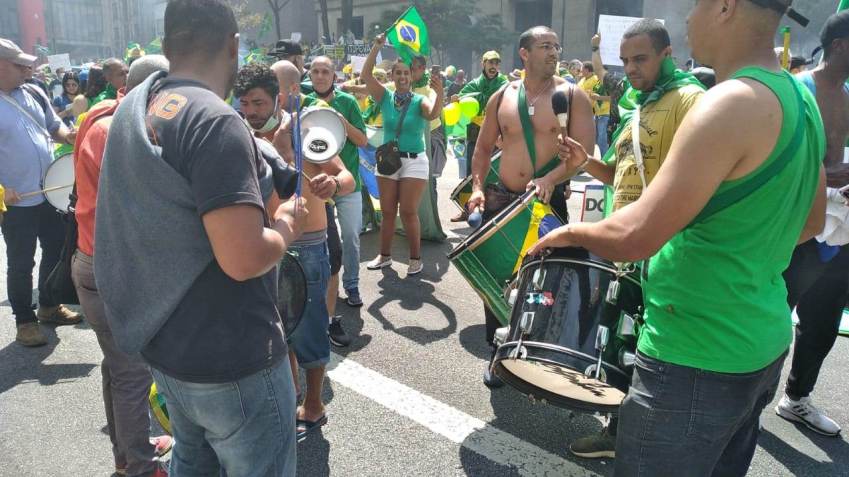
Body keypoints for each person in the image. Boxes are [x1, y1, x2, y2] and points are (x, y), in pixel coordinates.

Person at [528, 1, 825, 474]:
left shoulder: (728, 102)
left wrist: (563, 233)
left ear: (725, 7)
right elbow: (811, 223)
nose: (688, 17)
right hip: (760, 339)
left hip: (693, 350)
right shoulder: (799, 95)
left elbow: (634, 236)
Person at [95, 1, 306, 474]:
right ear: (233, 46)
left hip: (167, 347)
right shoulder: (215, 120)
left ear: (167, 46)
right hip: (232, 356)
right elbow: (243, 258)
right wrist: (287, 226)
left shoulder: (140, 102)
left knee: (193, 460)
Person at [555, 21, 706, 459]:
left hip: (661, 247)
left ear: (665, 53)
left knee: (650, 352)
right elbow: (620, 172)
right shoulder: (638, 106)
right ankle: (619, 432)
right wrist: (586, 162)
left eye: (640, 59)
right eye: (625, 61)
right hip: (626, 244)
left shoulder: (689, 100)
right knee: (622, 344)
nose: (631, 69)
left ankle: (641, 442)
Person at [465, 26, 596, 387]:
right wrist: (477, 187)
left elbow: (584, 156)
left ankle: (535, 354)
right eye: (544, 46)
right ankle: (498, 353)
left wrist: (552, 179)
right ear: (524, 54)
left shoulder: (572, 96)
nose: (553, 51)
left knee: (544, 283)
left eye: (556, 45)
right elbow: (482, 148)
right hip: (502, 201)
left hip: (545, 201)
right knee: (496, 282)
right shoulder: (502, 96)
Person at [72, 54, 172, 477]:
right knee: (133, 372)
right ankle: (139, 467)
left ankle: (126, 454)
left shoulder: (101, 117)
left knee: (117, 367)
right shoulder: (121, 131)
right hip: (113, 270)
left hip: (90, 262)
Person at [265, 60, 356, 442]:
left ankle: (314, 405)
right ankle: (291, 398)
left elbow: (346, 177)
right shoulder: (239, 132)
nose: (255, 106)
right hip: (267, 247)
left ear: (285, 96)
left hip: (308, 247)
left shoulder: (306, 132)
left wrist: (333, 185)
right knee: (277, 330)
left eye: (274, 93)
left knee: (310, 327)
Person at [775, 9, 849, 438]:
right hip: (796, 227)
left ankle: (796, 398)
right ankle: (749, 400)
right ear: (839, 46)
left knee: (821, 324)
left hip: (838, 232)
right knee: (772, 314)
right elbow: (774, 160)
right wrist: (823, 175)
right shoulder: (797, 91)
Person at [0, 37, 81, 347]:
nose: (27, 69)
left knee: (56, 250)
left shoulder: (33, 90)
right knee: (20, 262)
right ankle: (24, 321)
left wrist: (70, 134)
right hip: (17, 202)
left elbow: (51, 126)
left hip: (49, 193)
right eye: (20, 65)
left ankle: (48, 305)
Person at [361, 33, 444, 276]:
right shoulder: (384, 96)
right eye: (398, 73)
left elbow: (431, 115)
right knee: (387, 211)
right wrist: (376, 46)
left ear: (412, 76)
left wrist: (439, 95)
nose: (403, 77)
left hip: (415, 161)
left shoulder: (420, 100)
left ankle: (415, 259)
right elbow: (366, 76)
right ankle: (384, 256)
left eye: (407, 73)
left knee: (408, 211)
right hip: (388, 159)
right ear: (392, 76)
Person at [305, 56, 368, 345]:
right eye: (315, 71)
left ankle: (351, 286)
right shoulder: (303, 101)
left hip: (346, 183)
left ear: (333, 76)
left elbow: (363, 141)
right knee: (325, 244)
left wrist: (339, 120)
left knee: (352, 237)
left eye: (325, 72)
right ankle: (320, 298)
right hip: (317, 187)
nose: (320, 76)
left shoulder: (348, 102)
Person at [449, 50, 508, 222]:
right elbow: (459, 103)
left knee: (494, 173)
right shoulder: (474, 84)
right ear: (483, 64)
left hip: (497, 134)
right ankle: (467, 210)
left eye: (497, 63)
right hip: (475, 134)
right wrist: (455, 100)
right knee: (471, 173)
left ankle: (493, 212)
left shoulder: (504, 84)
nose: (494, 66)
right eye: (491, 63)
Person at [578, 59, 611, 156]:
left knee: (602, 140)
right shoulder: (594, 81)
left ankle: (605, 161)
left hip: (605, 113)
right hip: (596, 113)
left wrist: (598, 97)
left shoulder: (605, 82)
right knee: (596, 140)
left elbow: (613, 97)